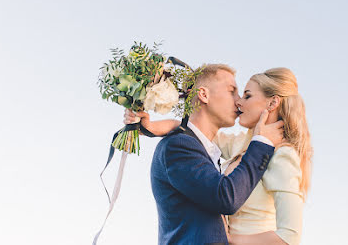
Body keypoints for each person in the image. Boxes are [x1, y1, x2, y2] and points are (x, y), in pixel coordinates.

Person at [126, 67, 312, 245]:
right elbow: (197, 132)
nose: (239, 102)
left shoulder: (282, 154)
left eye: (247, 95)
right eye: (234, 92)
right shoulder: (242, 144)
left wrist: (231, 240)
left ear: (272, 103)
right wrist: (149, 128)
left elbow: (290, 236)